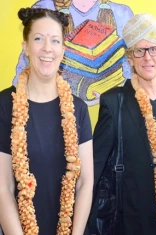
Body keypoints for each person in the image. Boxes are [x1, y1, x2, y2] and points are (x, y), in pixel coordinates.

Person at [0, 8, 93, 235]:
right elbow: (3, 186)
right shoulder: (5, 104)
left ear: (63, 49)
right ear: (25, 47)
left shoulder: (78, 109)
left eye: (55, 41)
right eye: (38, 39)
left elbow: (85, 182)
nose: (47, 48)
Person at [90, 14, 156, 235]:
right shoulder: (114, 102)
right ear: (129, 58)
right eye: (139, 51)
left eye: (154, 49)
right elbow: (95, 168)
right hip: (132, 220)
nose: (147, 58)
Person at [13, 0, 134, 106]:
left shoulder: (122, 13)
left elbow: (130, 70)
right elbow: (25, 65)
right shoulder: (44, 8)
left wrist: (112, 97)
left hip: (105, 115)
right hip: (47, 108)